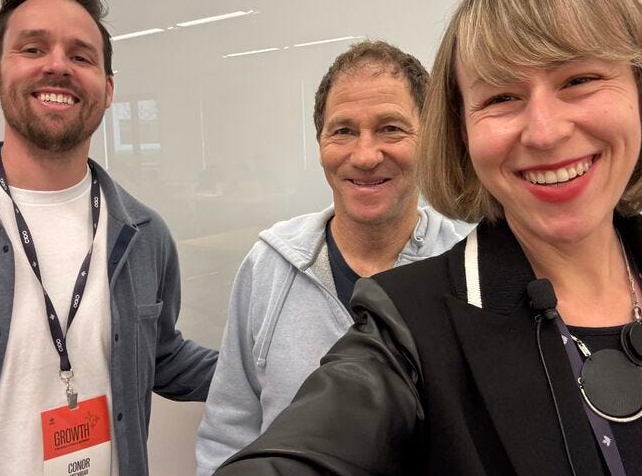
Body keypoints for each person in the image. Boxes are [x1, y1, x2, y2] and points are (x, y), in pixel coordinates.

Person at [214, 0, 642, 475]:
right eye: (501, 95)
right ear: (463, 133)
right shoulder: (405, 325)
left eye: (579, 79)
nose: (545, 131)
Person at [0, 0, 216, 476]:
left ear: (108, 88)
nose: (58, 66)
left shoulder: (143, 234)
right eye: (32, 49)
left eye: (80, 56)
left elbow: (161, 355)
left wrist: (274, 369)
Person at [196, 40, 468, 474]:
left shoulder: (468, 270)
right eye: (343, 130)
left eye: (391, 128)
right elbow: (229, 429)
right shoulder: (268, 267)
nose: (364, 155)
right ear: (320, 142)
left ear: (430, 137)